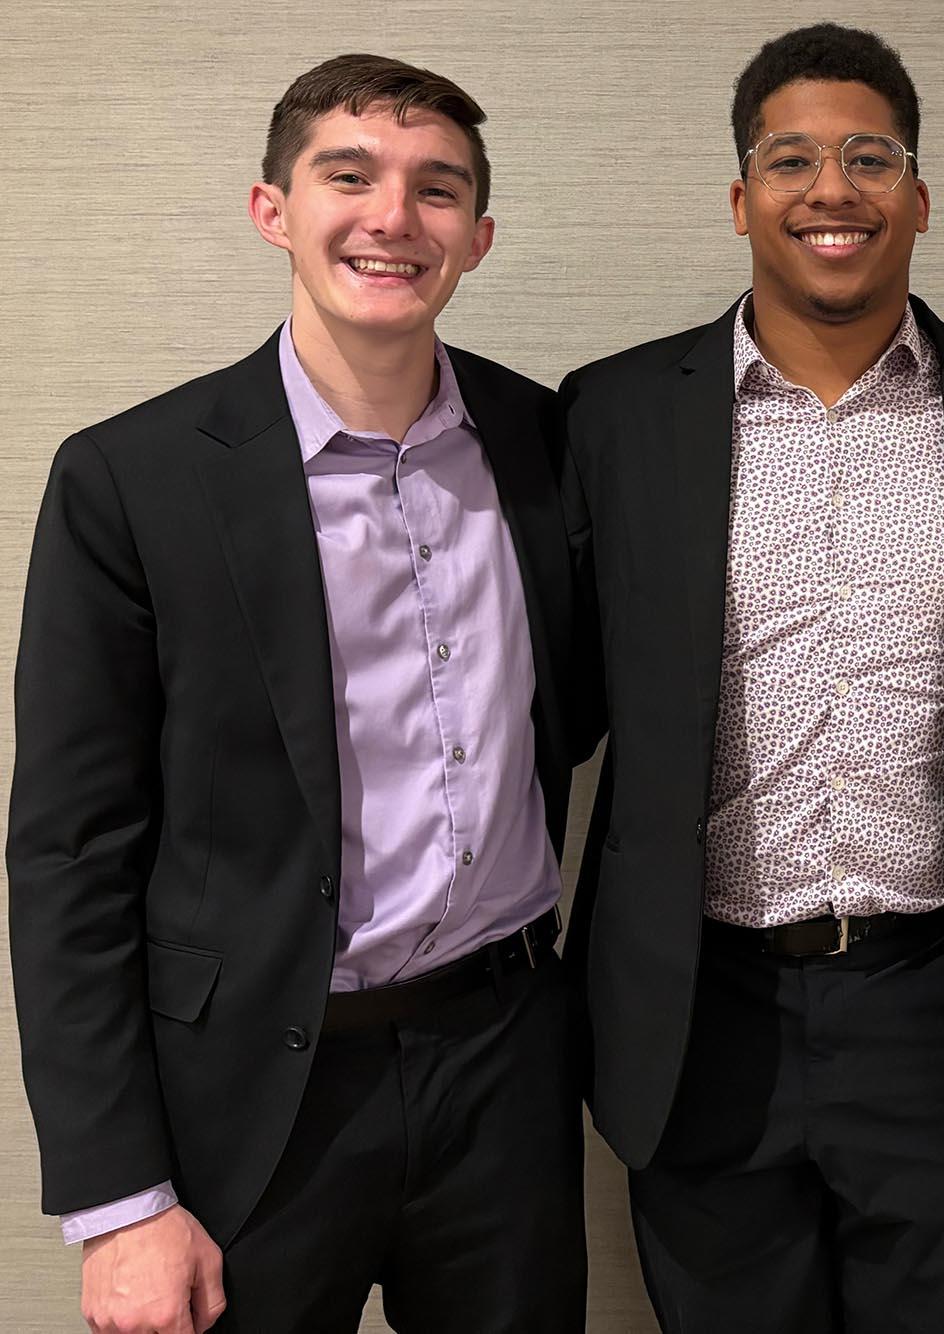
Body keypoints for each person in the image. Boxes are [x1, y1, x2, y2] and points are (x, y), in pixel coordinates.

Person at [8, 54, 591, 1334]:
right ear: (273, 208)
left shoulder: (550, 444)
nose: (394, 217)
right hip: (248, 1092)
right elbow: (68, 852)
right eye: (350, 175)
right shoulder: (132, 479)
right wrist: (119, 1199)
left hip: (502, 1065)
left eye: (437, 190)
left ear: (477, 238)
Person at [558, 23, 944, 1333]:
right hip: (699, 1006)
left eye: (868, 157)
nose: (830, 189)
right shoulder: (615, 416)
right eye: (792, 160)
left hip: (939, 1007)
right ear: (742, 199)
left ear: (916, 195)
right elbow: (554, 697)